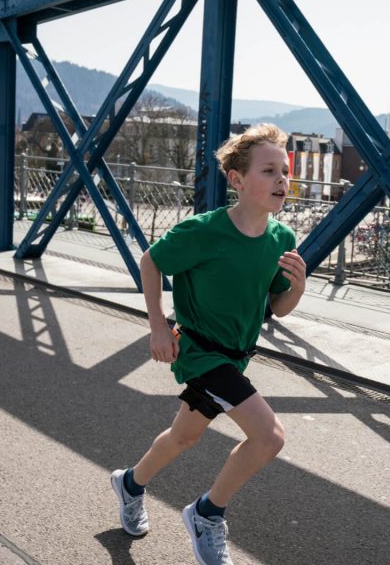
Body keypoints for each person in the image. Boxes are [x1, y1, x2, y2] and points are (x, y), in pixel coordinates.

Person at [111, 123, 306, 565]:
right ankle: (207, 513)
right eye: (269, 170)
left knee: (184, 437)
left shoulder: (282, 239)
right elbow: (151, 261)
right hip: (200, 352)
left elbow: (279, 305)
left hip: (236, 357)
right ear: (237, 180)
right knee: (269, 437)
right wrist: (158, 326)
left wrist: (298, 286)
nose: (282, 180)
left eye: (286, 171)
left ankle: (130, 483)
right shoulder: (204, 231)